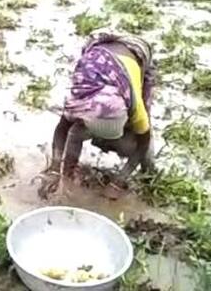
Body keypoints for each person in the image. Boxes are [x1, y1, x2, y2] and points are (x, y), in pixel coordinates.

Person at [37, 34, 156, 200]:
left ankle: (150, 180)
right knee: (75, 133)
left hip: (136, 55)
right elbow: (62, 129)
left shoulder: (135, 107)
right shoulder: (81, 100)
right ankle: (68, 172)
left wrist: (119, 181)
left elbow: (144, 141)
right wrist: (55, 169)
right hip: (98, 61)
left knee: (139, 144)